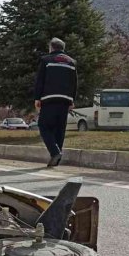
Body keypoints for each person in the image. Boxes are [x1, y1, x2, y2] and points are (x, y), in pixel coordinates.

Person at [34, 37, 78, 167]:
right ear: (62, 48)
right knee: (60, 129)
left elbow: (40, 80)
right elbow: (74, 82)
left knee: (43, 126)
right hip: (65, 100)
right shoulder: (71, 62)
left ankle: (55, 152)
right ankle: (57, 156)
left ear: (51, 48)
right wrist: (71, 99)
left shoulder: (46, 60)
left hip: (49, 98)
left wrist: (37, 98)